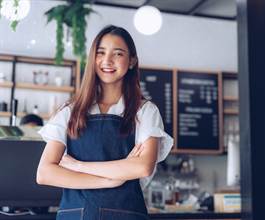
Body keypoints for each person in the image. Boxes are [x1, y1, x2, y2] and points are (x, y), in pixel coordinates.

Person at [36, 25, 173, 220]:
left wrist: (78, 166)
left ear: (132, 61)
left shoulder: (145, 111)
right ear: (93, 59)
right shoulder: (69, 111)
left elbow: (142, 167)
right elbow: (45, 173)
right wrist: (110, 180)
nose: (107, 60)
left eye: (118, 53)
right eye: (101, 53)